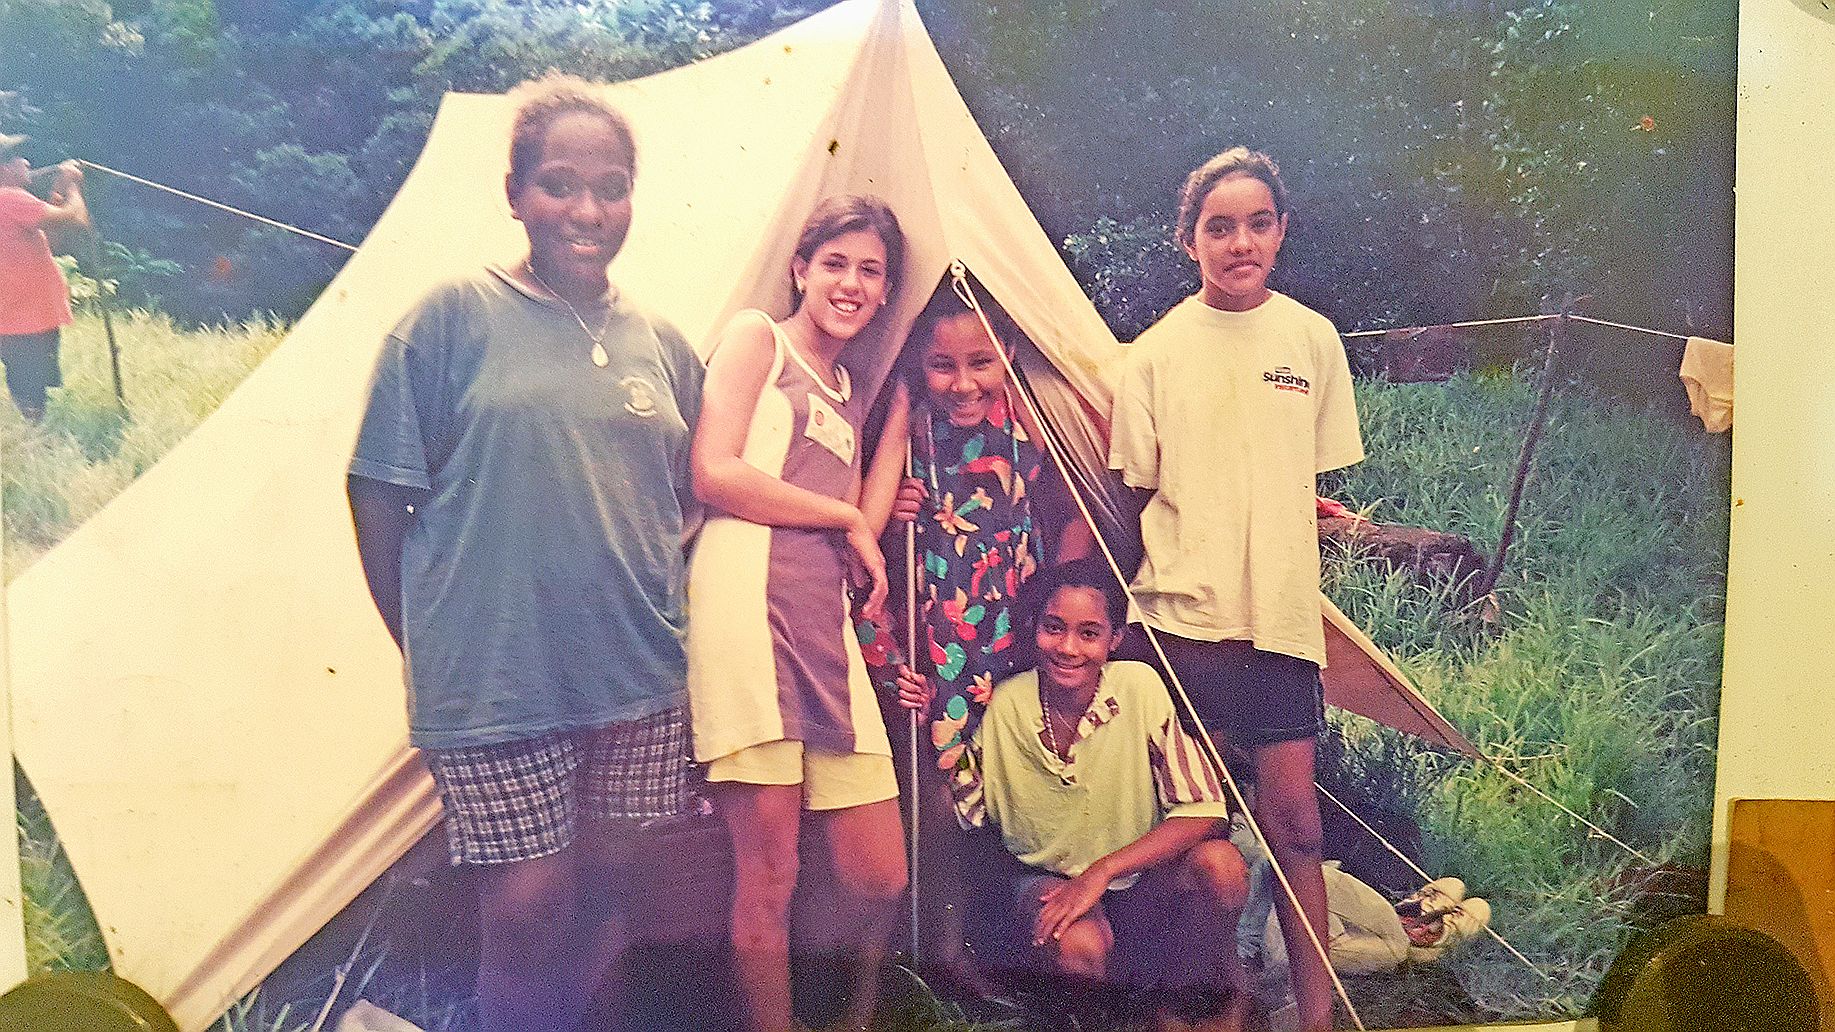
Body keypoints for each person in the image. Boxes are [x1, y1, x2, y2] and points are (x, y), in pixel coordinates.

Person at [347, 75, 703, 1032]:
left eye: (611, 185)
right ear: (514, 193)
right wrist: (428, 639)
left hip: (636, 677)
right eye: (558, 183)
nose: (587, 210)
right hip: (497, 677)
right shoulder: (450, 318)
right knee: (527, 903)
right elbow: (378, 491)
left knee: (617, 889)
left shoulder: (662, 342)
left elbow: (693, 493)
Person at [1107, 146, 1365, 1032]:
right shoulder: (1151, 355)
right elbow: (1135, 495)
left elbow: (1298, 471)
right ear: (1190, 241)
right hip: (1180, 626)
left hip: (1281, 628)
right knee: (1196, 832)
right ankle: (1206, 1003)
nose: (1239, 242)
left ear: (1280, 232)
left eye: (1257, 223)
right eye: (1219, 226)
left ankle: (1316, 1017)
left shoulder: (1311, 340)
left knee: (1295, 829)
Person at [686, 194, 910, 1032]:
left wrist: (890, 441)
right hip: (745, 610)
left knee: (877, 872)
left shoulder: (851, 385)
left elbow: (852, 518)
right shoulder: (758, 338)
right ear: (800, 269)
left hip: (820, 622)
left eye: (870, 272)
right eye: (836, 265)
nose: (850, 284)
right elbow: (715, 473)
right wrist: (847, 517)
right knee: (770, 873)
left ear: (886, 292)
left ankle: (850, 1018)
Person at [855, 283, 1093, 991]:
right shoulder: (912, 432)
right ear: (916, 369)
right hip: (936, 647)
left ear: (1009, 357)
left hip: (1011, 642)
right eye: (940, 366)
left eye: (981, 363)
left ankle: (1004, 944)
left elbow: (1073, 507)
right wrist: (900, 416)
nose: (962, 384)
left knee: (1004, 790)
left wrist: (1052, 600)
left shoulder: (1031, 422)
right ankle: (942, 951)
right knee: (936, 793)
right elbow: (869, 547)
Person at [929, 558, 1250, 1031]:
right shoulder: (1006, 705)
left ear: (1115, 640)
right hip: (1048, 880)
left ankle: (1192, 1000)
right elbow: (959, 812)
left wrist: (1101, 872)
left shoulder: (1139, 687)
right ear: (1034, 629)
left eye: (1089, 633)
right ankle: (1099, 1014)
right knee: (1078, 944)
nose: (1067, 648)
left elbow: (1203, 812)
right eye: (1053, 628)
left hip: (1138, 882)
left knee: (1221, 866)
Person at [0, 132, 89, 422]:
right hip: (24, 320)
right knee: (31, 397)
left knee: (30, 390)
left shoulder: (12, 203)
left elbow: (52, 239)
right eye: (17, 158)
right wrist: (74, 186)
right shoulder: (10, 197)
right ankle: (31, 448)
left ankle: (30, 441)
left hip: (22, 318)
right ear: (3, 170)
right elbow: (76, 219)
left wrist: (59, 187)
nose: (26, 162)